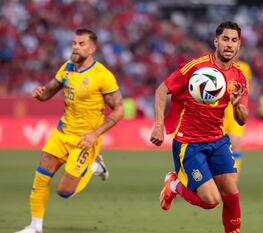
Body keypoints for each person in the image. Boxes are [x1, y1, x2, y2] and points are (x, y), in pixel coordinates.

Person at [16, 29, 124, 233]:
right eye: (74, 43)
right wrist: (40, 94)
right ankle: (35, 226)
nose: (75, 47)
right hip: (62, 132)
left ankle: (94, 166)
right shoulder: (66, 68)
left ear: (92, 49)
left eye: (81, 44)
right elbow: (49, 91)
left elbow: (119, 110)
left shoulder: (102, 76)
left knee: (64, 191)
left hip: (85, 139)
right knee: (41, 176)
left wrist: (95, 134)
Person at [150, 21, 248, 233]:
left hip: (218, 140)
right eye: (225, 39)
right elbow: (161, 90)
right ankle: (174, 184)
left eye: (234, 40)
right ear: (216, 41)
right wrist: (158, 125)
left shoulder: (239, 76)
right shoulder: (196, 66)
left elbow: (242, 120)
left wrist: (236, 104)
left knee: (231, 195)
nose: (229, 45)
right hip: (190, 143)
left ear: (239, 45)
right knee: (210, 201)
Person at [223, 59, 252, 175]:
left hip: (236, 110)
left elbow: (247, 86)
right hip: (219, 112)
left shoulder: (244, 67)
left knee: (235, 145)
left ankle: (233, 178)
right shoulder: (216, 66)